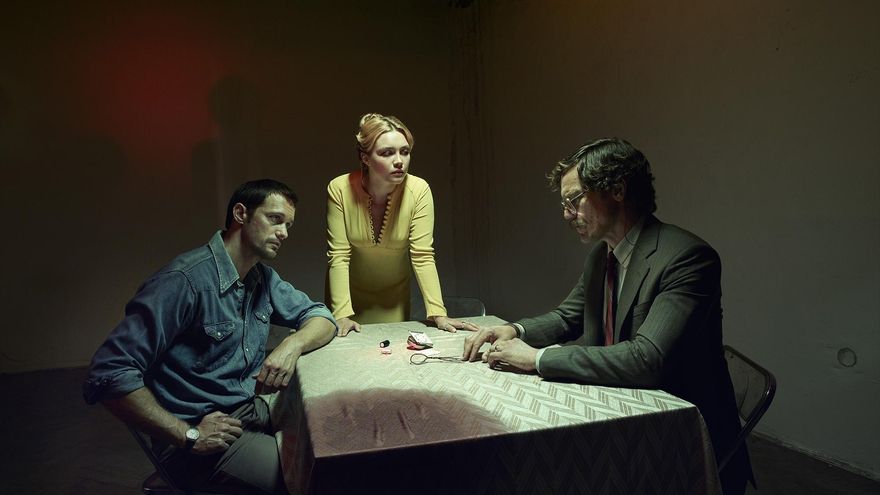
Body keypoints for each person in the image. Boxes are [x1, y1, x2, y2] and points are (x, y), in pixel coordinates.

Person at [462, 138, 751, 495]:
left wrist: (536, 358)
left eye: (574, 200)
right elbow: (567, 317)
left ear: (617, 190)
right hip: (624, 414)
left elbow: (646, 359)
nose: (567, 215)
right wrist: (513, 330)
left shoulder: (688, 258)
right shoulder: (603, 255)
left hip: (681, 439)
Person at [83, 179, 336, 495]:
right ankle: (182, 474)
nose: (283, 232)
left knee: (328, 433)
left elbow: (321, 316)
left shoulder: (261, 277)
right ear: (241, 214)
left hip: (246, 410)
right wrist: (188, 435)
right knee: (313, 478)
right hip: (196, 439)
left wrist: (292, 343)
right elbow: (108, 372)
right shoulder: (184, 280)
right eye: (275, 219)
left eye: (288, 225)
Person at [326, 113, 478, 336]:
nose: (399, 160)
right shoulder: (339, 188)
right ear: (365, 158)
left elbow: (423, 255)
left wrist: (438, 313)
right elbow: (338, 255)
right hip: (346, 298)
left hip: (394, 299)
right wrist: (341, 314)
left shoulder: (419, 190)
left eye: (404, 152)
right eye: (387, 153)